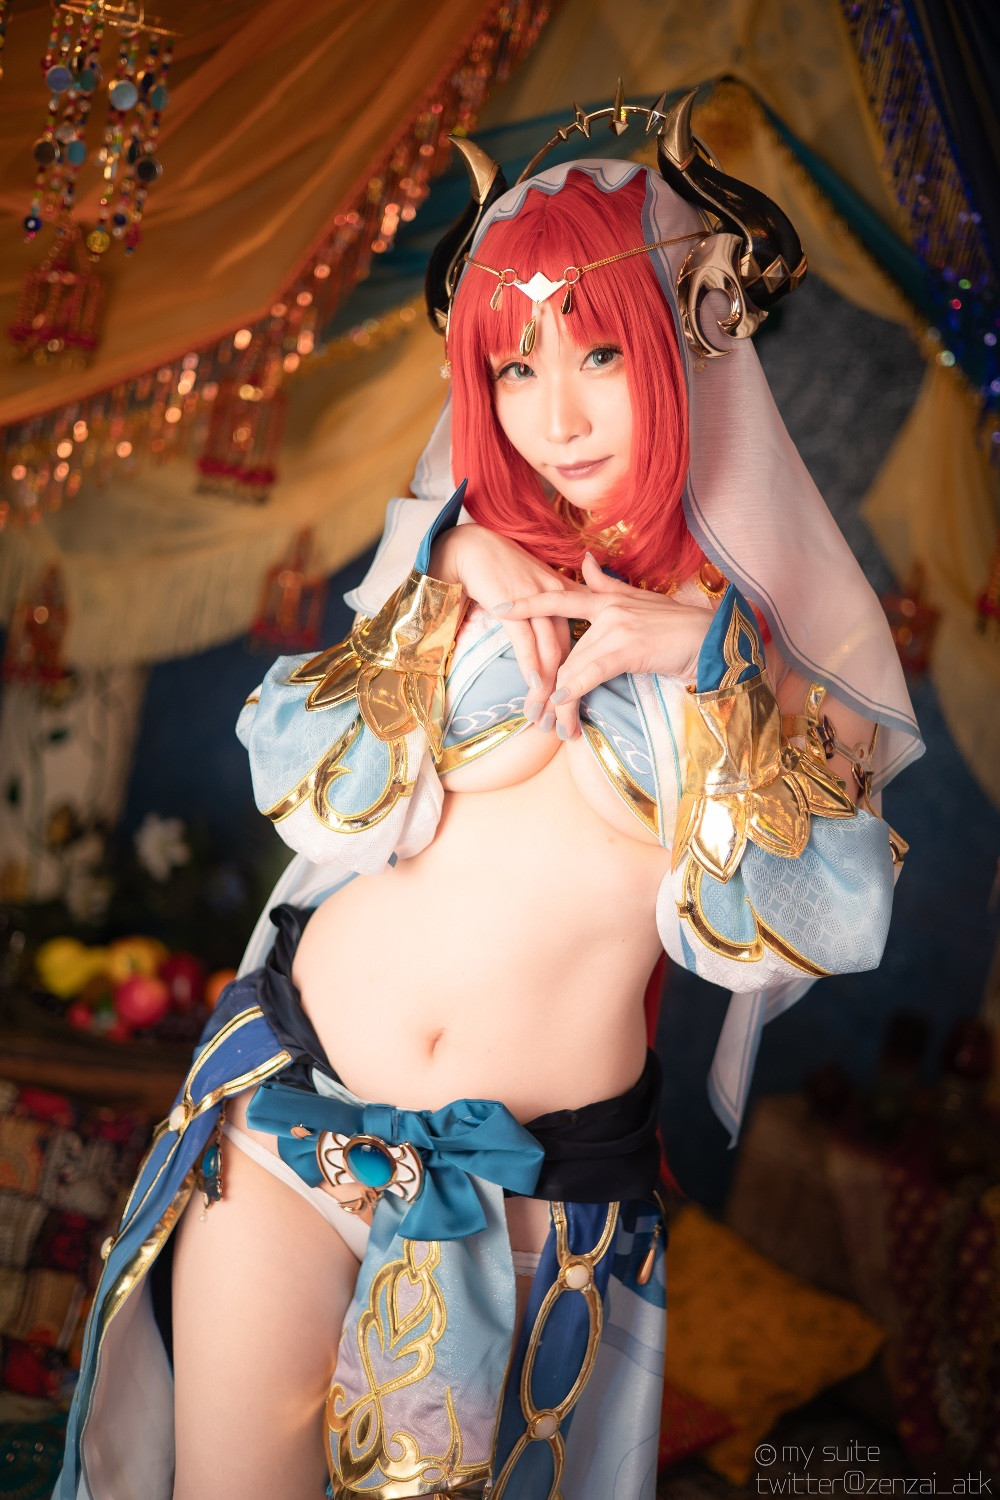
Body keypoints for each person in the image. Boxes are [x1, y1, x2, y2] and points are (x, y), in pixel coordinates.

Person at [55, 91, 921, 1500]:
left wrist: (711, 669)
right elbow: (306, 781)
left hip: (525, 1191)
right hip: (292, 1105)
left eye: (599, 352)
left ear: (686, 344)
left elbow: (815, 918)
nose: (555, 416)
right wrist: (443, 577)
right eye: (515, 367)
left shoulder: (781, 662)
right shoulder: (466, 562)